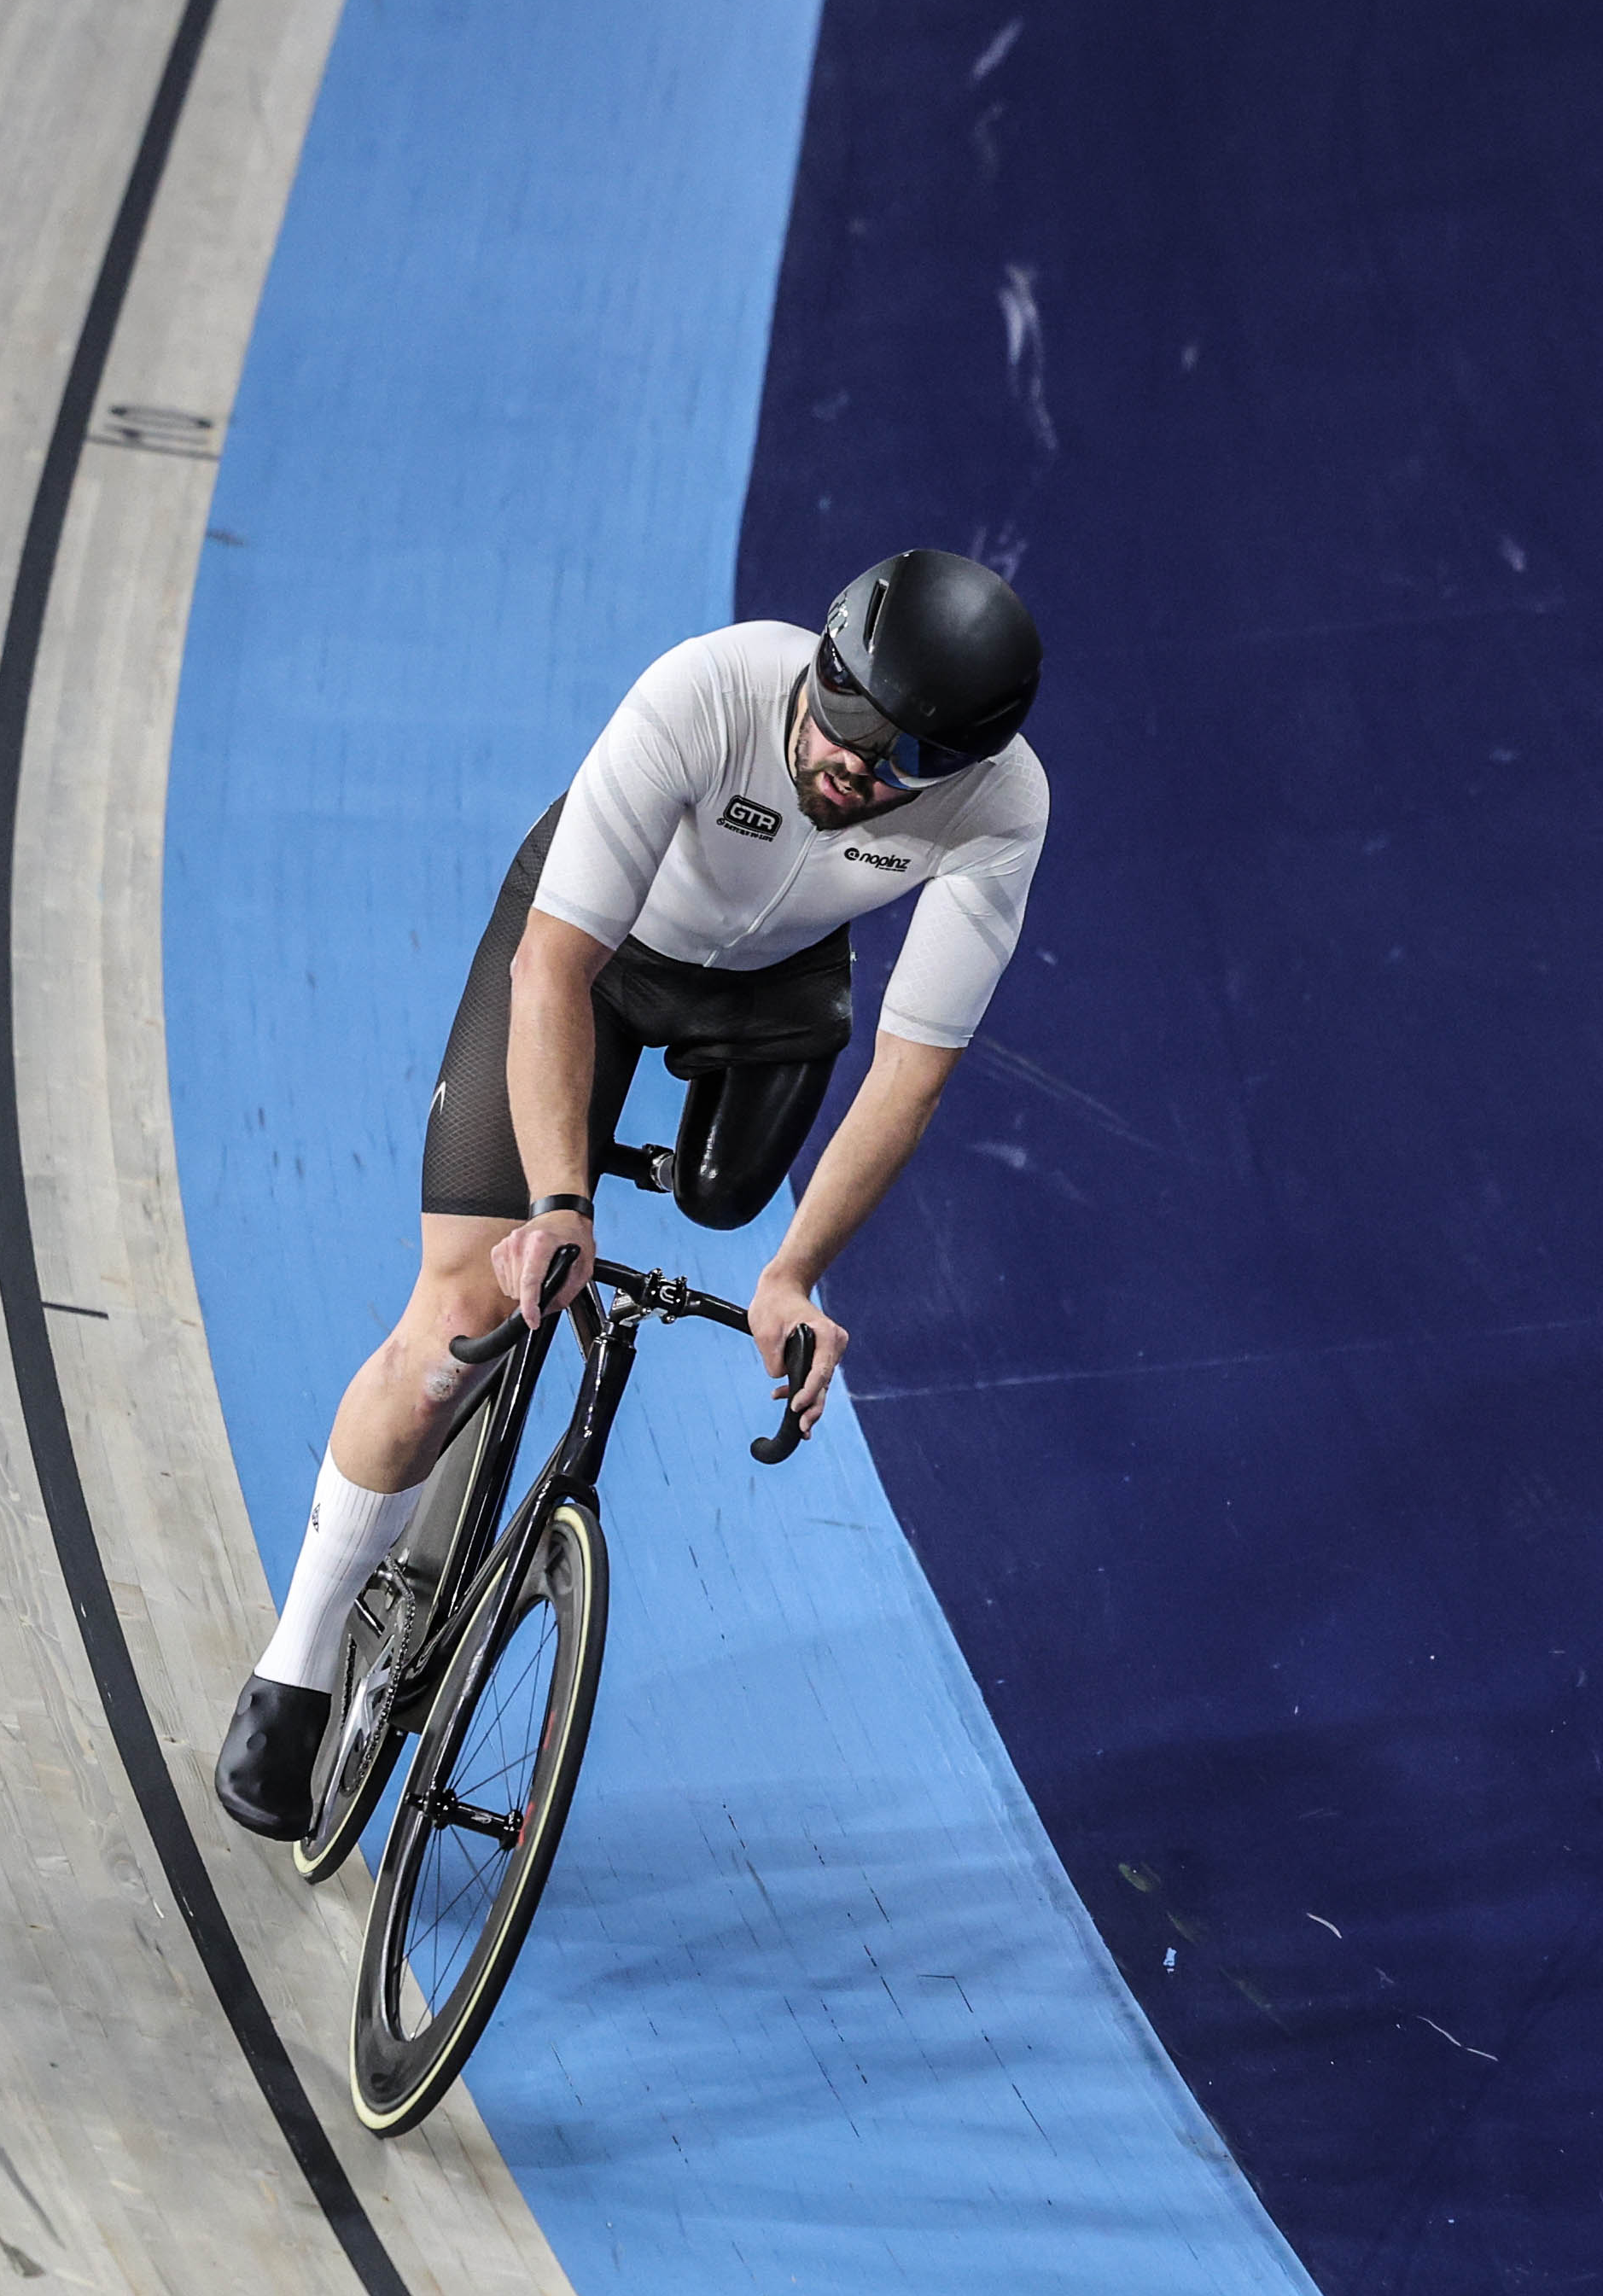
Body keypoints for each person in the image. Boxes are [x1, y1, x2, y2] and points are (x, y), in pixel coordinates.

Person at [213, 547, 1051, 1839]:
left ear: (970, 771)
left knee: (728, 1205)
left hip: (771, 990)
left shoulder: (1004, 810)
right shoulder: (703, 692)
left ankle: (667, 1208)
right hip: (592, 953)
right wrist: (556, 1201)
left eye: (908, 768)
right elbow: (551, 969)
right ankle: (301, 1657)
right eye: (847, 719)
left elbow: (908, 1074)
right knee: (455, 1319)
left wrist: (792, 1275)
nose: (858, 768)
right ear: (820, 665)